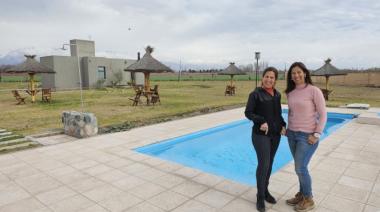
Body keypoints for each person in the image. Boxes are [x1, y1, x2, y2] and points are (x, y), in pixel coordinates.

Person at [285, 62, 327, 212]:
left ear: (305, 73)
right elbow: (291, 112)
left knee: (300, 168)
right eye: (293, 73)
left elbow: (323, 114)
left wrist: (316, 134)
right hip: (291, 134)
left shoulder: (314, 90)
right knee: (300, 168)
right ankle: (302, 194)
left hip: (307, 136)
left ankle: (309, 199)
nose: (296, 75)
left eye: (299, 72)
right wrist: (286, 128)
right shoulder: (290, 92)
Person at [245, 67, 286, 212]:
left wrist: (283, 125)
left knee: (270, 164)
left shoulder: (277, 95)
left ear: (275, 80)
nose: (269, 79)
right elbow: (248, 112)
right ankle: (260, 197)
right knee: (264, 164)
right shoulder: (255, 94)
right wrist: (260, 121)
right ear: (263, 78)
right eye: (267, 76)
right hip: (260, 135)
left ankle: (266, 191)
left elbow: (278, 114)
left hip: (275, 135)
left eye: (272, 77)